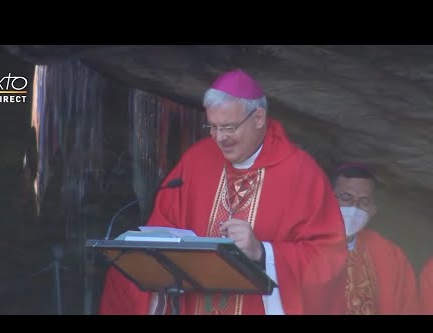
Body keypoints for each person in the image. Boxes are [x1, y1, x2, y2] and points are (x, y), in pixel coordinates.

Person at [98, 68, 348, 315]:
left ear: (259, 118)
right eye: (213, 127)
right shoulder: (196, 160)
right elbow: (162, 229)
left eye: (229, 127)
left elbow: (328, 259)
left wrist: (262, 252)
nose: (220, 138)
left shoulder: (300, 172)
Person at [331, 162, 419, 314]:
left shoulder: (389, 254)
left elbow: (408, 307)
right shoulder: (300, 247)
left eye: (364, 202)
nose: (354, 207)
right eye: (346, 198)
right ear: (327, 199)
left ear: (372, 211)